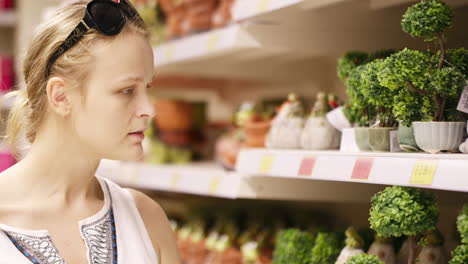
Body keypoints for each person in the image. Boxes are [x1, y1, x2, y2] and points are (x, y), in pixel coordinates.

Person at [0, 0, 181, 263]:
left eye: (147, 88)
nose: (148, 109)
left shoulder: (146, 218)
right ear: (61, 97)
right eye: (127, 91)